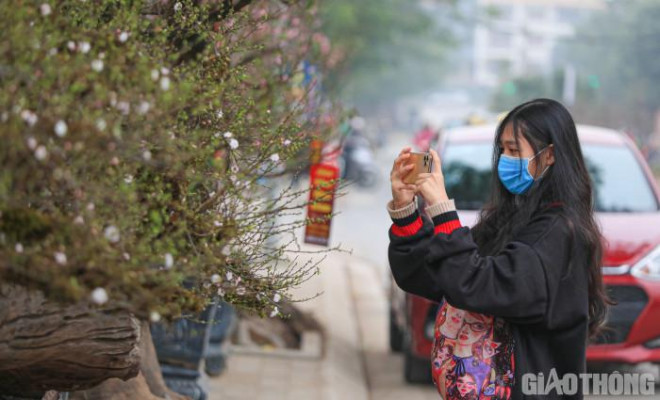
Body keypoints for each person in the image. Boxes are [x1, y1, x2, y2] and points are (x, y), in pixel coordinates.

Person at [386, 98, 610, 399]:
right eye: (502, 149)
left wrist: (442, 209)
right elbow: (438, 276)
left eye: (515, 150)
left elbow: (478, 285)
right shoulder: (509, 220)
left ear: (550, 155)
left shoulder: (557, 232)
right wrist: (406, 211)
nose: (506, 159)